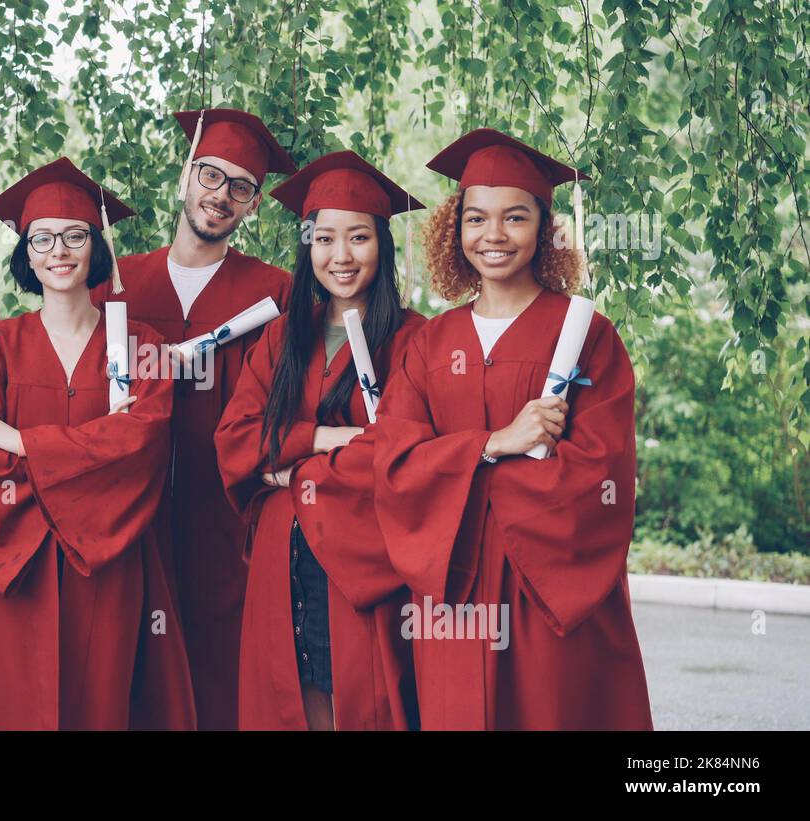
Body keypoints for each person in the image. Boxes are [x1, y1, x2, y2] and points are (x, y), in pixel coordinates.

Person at [371, 128, 653, 729]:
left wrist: (469, 478)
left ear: (545, 229)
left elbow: (603, 475)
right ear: (455, 229)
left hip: (546, 588)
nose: (493, 236)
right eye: (476, 219)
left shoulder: (588, 337)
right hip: (455, 587)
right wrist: (495, 445)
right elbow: (395, 463)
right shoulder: (428, 344)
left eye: (515, 217)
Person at [0, 157, 195, 730]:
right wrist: (84, 458)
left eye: (74, 236)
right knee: (19, 704)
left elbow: (141, 446)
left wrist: (22, 441)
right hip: (19, 558)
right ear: (26, 252)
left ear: (95, 247)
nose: (58, 251)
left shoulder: (142, 344)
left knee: (101, 701)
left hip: (107, 559)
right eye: (42, 239)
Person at [91, 108, 297, 729]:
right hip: (128, 513)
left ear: (254, 206)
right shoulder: (117, 284)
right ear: (186, 176)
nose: (221, 195)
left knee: (220, 679)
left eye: (241, 187)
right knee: (127, 670)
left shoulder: (278, 293)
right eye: (210, 175)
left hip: (226, 520)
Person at [215, 151, 425, 730]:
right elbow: (235, 440)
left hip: (362, 560)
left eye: (358, 237)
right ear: (308, 245)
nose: (341, 255)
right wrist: (328, 437)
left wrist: (287, 469)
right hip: (280, 556)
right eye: (324, 238)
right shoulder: (286, 335)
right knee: (290, 702)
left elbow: (398, 455)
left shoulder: (414, 341)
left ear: (382, 244)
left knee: (361, 704)